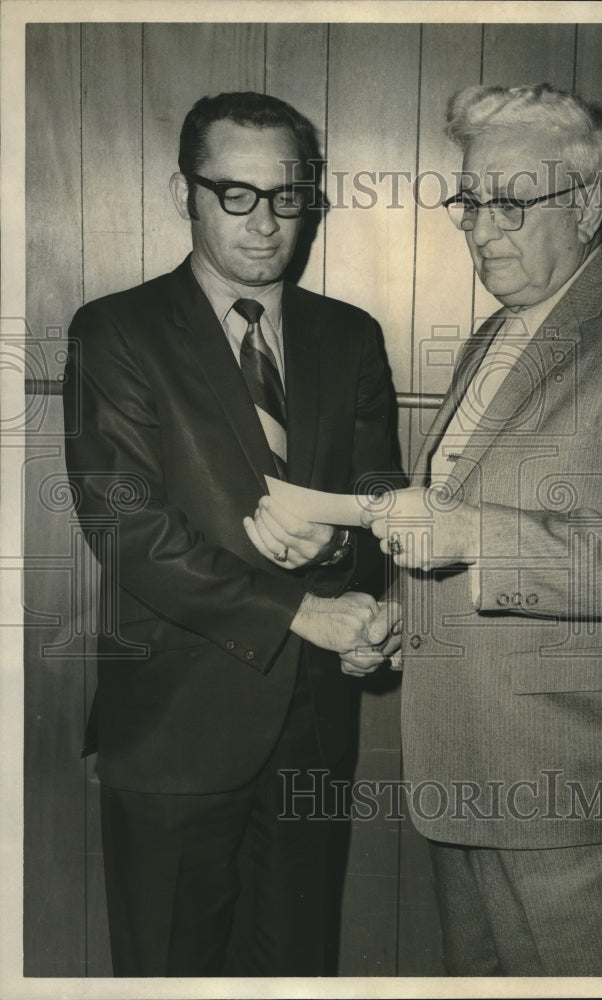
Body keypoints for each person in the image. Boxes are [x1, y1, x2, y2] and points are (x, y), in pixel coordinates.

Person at [357, 83, 602, 976]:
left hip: (595, 801)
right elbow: (455, 524)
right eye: (471, 202)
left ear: (592, 202)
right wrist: (394, 622)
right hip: (469, 780)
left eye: (513, 203)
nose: (483, 230)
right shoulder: (493, 336)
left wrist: (475, 535)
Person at [62, 91, 397, 977]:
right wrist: (302, 610)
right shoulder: (116, 331)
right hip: (172, 730)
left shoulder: (350, 335)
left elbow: (378, 505)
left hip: (312, 730)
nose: (263, 224)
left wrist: (334, 553)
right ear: (186, 194)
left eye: (286, 198)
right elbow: (127, 525)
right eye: (234, 195)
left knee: (294, 973)